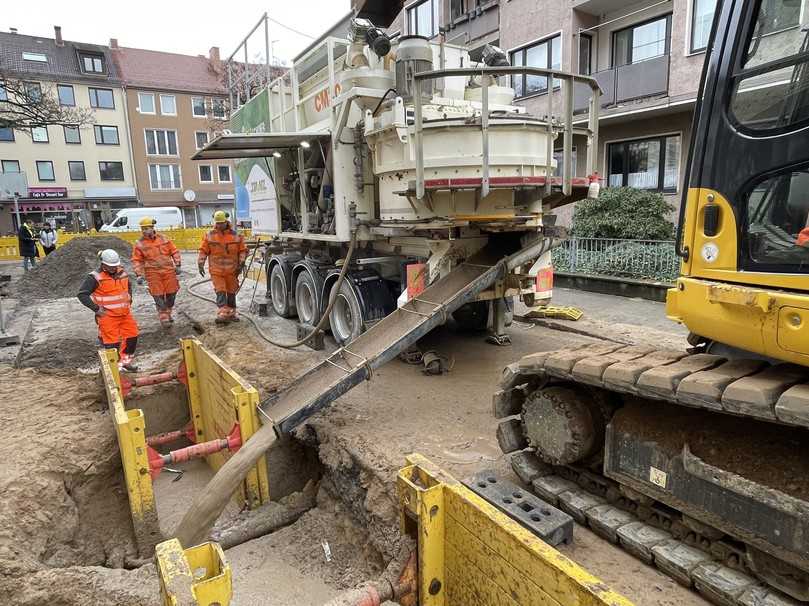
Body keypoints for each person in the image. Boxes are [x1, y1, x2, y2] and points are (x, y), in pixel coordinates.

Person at [77, 249, 139, 372]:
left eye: (115, 265)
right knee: (112, 345)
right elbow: (82, 294)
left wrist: (129, 299)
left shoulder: (122, 273)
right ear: (103, 264)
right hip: (107, 316)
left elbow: (128, 286)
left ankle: (125, 362)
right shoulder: (95, 277)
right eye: (110, 266)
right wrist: (96, 309)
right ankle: (114, 370)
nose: (113, 268)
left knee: (132, 337)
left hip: (125, 314)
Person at [198, 210, 247, 324]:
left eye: (222, 223)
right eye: (218, 223)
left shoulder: (236, 236)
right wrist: (200, 263)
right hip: (216, 270)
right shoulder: (209, 236)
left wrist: (241, 262)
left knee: (231, 292)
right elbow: (203, 251)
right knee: (220, 290)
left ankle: (231, 312)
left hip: (232, 271)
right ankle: (223, 312)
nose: (220, 225)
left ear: (226, 221)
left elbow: (242, 250)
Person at [132, 217, 181, 327]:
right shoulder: (139, 244)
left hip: (168, 271)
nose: (144, 231)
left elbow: (174, 251)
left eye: (147, 228)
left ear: (152, 228)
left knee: (172, 293)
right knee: (157, 295)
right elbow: (137, 260)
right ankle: (163, 315)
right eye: (143, 229)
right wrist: (139, 274)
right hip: (153, 273)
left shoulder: (164, 239)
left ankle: (168, 311)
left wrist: (178, 264)